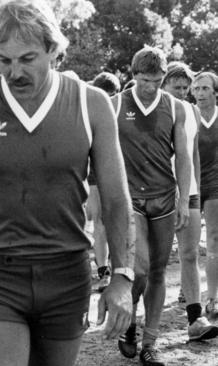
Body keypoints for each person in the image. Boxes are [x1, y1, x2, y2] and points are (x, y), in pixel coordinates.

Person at [0, 1, 134, 365]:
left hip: (65, 275)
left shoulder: (92, 105)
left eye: (27, 58)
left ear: (54, 50)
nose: (14, 72)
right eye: (3, 60)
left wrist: (122, 276)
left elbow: (116, 200)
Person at [113, 46, 191, 366]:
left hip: (164, 198)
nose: (152, 87)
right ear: (133, 76)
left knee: (158, 272)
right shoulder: (114, 105)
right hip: (130, 198)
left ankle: (150, 342)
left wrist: (184, 199)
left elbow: (183, 157)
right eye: (146, 80)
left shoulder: (175, 107)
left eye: (158, 81)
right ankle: (129, 323)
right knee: (140, 269)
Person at [163, 64, 218, 341]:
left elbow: (193, 154)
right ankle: (133, 326)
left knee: (189, 253)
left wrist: (191, 188)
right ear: (164, 86)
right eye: (179, 88)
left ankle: (196, 319)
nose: (185, 93)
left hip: (191, 192)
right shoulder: (155, 111)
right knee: (151, 263)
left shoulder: (192, 111)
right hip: (157, 192)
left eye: (188, 88)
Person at [88, 71, 121, 292]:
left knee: (117, 220)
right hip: (94, 173)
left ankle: (119, 267)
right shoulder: (88, 109)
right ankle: (103, 269)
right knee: (99, 219)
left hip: (117, 172)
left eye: (113, 95)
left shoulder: (120, 110)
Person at [193, 71, 218, 321]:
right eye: (196, 88)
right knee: (188, 244)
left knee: (213, 238)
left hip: (215, 184)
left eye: (205, 88)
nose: (200, 93)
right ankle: (188, 291)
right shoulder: (187, 114)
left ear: (215, 92)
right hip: (190, 184)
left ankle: (212, 298)